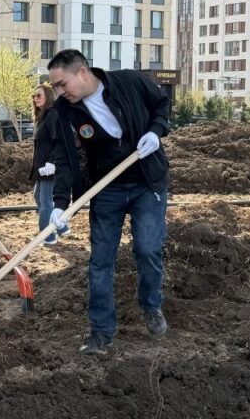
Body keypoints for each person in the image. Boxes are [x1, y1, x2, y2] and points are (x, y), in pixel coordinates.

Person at [46, 49, 170, 355]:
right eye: (55, 87)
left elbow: (162, 104)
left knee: (147, 248)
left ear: (83, 73)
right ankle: (101, 331)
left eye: (62, 84)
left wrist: (156, 132)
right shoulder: (66, 110)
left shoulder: (128, 81)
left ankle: (151, 306)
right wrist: (60, 203)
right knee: (100, 262)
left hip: (146, 181)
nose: (59, 92)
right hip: (106, 190)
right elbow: (65, 156)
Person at [29, 82, 69, 246]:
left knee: (45, 202)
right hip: (42, 166)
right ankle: (62, 227)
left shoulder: (53, 114)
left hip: (50, 166)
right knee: (38, 197)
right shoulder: (42, 116)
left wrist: (52, 163)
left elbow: (60, 140)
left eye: (39, 95)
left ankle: (48, 236)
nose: (35, 98)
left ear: (48, 97)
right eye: (34, 96)